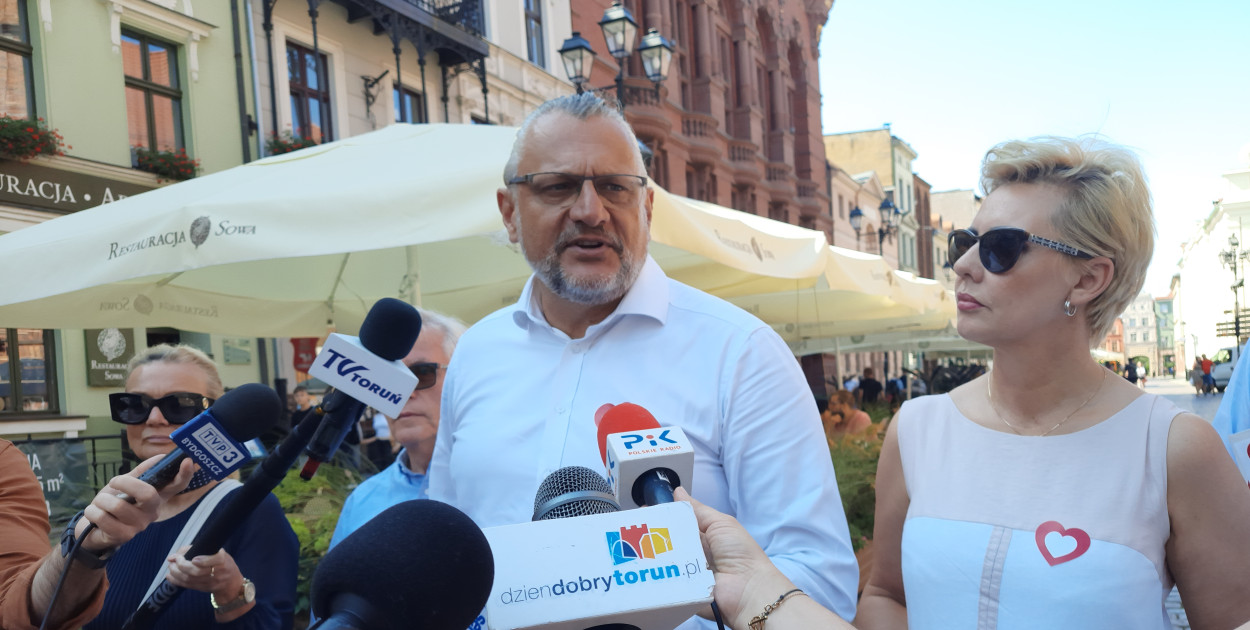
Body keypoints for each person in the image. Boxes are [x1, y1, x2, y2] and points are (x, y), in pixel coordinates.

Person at [428, 93, 859, 624]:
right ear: (510, 212)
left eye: (614, 187)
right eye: (558, 186)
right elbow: (444, 539)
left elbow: (820, 581)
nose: (590, 211)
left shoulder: (741, 353)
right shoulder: (475, 352)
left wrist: (677, 590)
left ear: (647, 208)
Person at [857, 137, 1250, 629]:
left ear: (1088, 279)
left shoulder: (1172, 447)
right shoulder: (918, 429)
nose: (962, 266)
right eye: (964, 242)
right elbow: (886, 594)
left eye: (1000, 248)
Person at [84, 345, 298, 629]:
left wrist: (230, 591)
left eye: (180, 405)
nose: (154, 419)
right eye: (135, 405)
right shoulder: (110, 508)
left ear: (221, 415)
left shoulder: (251, 510)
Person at [0, 442, 194, 630]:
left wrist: (84, 545)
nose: (154, 418)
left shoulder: (4, 459)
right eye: (132, 408)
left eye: (176, 408)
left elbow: (14, 604)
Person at [329, 309, 466, 548]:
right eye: (389, 379)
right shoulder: (361, 501)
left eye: (422, 373)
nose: (404, 392)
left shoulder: (503, 483)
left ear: (463, 378)